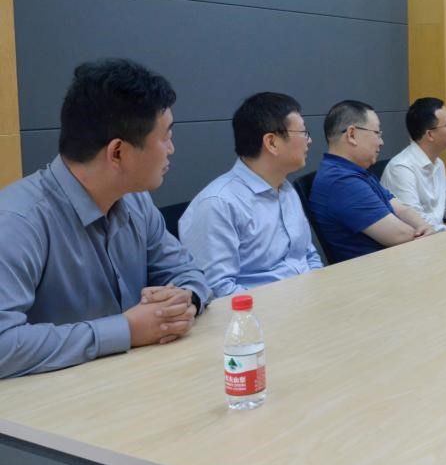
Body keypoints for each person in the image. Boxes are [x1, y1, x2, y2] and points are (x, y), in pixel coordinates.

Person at [0, 58, 211, 379]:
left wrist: (186, 299)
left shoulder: (136, 201)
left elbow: (186, 270)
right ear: (118, 152)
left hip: (132, 381)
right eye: (165, 137)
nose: (171, 149)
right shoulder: (17, 221)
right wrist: (125, 330)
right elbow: (3, 344)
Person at [180, 92, 322, 297]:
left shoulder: (286, 189)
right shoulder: (218, 203)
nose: (309, 140)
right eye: (303, 132)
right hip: (260, 312)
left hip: (306, 301)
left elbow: (308, 256)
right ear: (272, 142)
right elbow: (217, 291)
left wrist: (318, 291)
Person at [310, 100, 433, 260]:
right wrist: (424, 234)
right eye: (377, 133)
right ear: (352, 134)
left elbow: (401, 209)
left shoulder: (356, 171)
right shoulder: (341, 181)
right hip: (376, 270)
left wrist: (424, 226)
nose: (381, 142)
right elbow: (398, 235)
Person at [379, 97, 446, 233]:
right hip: (417, 241)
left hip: (439, 237)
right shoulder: (401, 168)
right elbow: (415, 220)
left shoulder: (438, 163)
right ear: (430, 134)